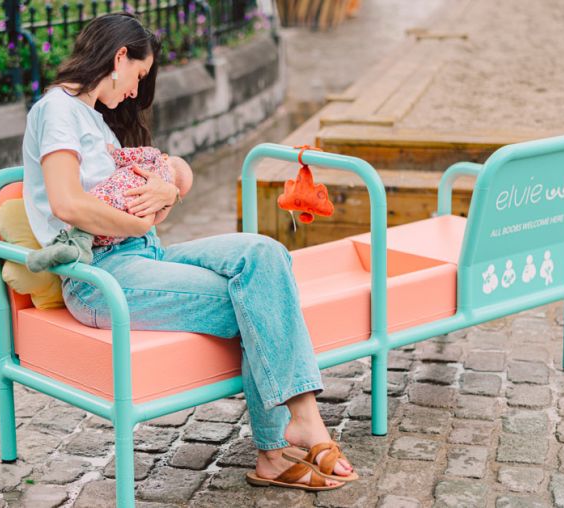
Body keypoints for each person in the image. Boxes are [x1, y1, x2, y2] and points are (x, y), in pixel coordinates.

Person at [20, 12, 356, 490]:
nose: (136, 91)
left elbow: (158, 179)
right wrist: (141, 217)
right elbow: (67, 203)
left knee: (265, 255)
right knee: (258, 299)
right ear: (119, 57)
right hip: (100, 277)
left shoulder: (96, 119)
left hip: (146, 254)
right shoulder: (55, 110)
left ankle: (286, 439)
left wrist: (166, 190)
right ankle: (289, 435)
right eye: (138, 75)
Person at [25, 147, 193, 272]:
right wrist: (171, 198)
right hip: (119, 229)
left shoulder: (155, 156)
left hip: (111, 196)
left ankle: (68, 247)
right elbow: (154, 221)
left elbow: (128, 156)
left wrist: (113, 152)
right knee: (93, 230)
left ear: (165, 157)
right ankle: (76, 248)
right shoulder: (160, 196)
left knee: (87, 219)